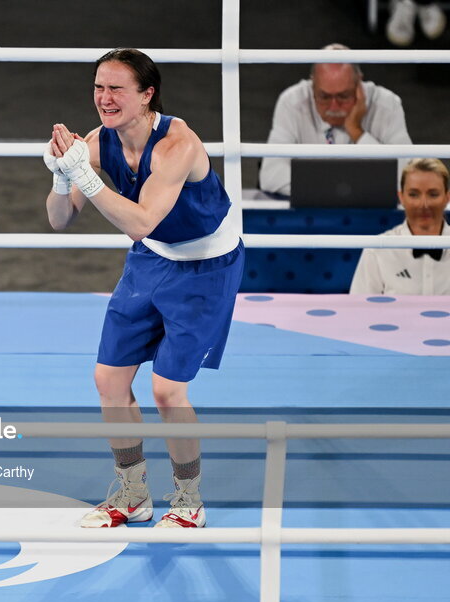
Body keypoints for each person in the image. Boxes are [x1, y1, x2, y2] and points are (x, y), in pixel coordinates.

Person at [45, 48, 243, 529]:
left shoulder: (178, 144)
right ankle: (132, 494)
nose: (104, 98)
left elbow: (139, 222)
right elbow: (58, 220)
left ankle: (189, 499)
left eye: (116, 89)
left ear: (147, 95)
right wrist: (60, 175)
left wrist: (85, 176)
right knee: (109, 382)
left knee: (168, 391)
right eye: (98, 87)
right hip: (152, 260)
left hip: (205, 269)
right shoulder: (96, 140)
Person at [258, 44, 412, 197]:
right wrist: (339, 190)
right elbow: (271, 175)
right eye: (324, 97)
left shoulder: (387, 105)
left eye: (343, 96)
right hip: (312, 213)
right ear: (313, 85)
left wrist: (357, 132)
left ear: (359, 83)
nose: (334, 106)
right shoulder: (292, 103)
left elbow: (408, 179)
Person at [350, 158, 450, 294]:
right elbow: (359, 310)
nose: (424, 204)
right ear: (401, 197)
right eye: (414, 194)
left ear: (447, 197)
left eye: (433, 194)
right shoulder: (377, 250)